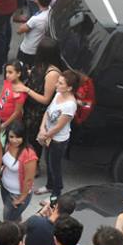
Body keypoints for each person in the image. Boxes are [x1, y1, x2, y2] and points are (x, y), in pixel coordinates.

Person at [38, 70, 79, 200]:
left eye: (60, 83)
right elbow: (48, 112)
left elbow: (59, 126)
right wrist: (42, 128)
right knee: (48, 161)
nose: (57, 85)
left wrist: (44, 135)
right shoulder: (58, 94)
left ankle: (56, 192)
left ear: (69, 88)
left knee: (54, 166)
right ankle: (49, 185)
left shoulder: (70, 105)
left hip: (58, 140)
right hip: (48, 135)